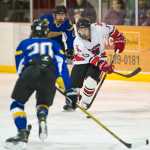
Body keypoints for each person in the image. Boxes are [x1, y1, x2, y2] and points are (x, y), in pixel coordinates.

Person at [5, 19, 65, 149]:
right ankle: (42, 118)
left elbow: (20, 64)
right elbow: (60, 61)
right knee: (42, 103)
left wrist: (24, 78)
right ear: (46, 31)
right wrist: (59, 78)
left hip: (30, 71)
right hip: (50, 72)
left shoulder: (24, 43)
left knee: (17, 104)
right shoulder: (54, 43)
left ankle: (22, 133)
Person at [63, 18, 125, 110]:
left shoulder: (99, 28)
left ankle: (85, 102)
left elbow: (113, 30)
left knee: (91, 82)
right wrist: (103, 66)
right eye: (80, 30)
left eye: (85, 30)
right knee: (74, 85)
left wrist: (119, 38)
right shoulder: (78, 42)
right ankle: (71, 102)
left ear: (90, 28)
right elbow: (91, 58)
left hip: (100, 57)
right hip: (82, 60)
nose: (83, 33)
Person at [39, 5, 75, 105]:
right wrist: (58, 32)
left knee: (63, 68)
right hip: (44, 47)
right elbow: (40, 34)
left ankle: (70, 95)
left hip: (58, 47)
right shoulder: (44, 19)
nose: (61, 17)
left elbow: (70, 36)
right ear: (54, 15)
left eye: (63, 15)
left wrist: (70, 48)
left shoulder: (67, 22)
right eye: (58, 15)